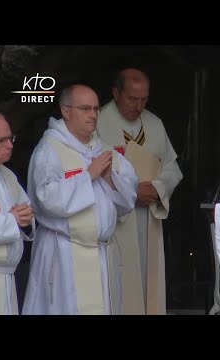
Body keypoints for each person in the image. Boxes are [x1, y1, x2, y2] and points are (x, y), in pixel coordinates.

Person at [22, 84, 138, 315]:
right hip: (65, 253)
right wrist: (88, 176)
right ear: (65, 111)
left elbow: (129, 199)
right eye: (85, 108)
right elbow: (45, 199)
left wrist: (108, 178)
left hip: (102, 254)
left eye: (96, 109)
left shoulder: (103, 148)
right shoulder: (49, 149)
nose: (93, 115)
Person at [97, 68, 183, 315]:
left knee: (149, 284)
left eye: (144, 99)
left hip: (149, 220)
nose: (138, 105)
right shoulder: (99, 123)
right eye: (132, 99)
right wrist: (131, 192)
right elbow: (91, 172)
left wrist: (157, 188)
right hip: (118, 219)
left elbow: (172, 168)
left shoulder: (154, 123)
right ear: (116, 93)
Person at [0, 109, 35, 315]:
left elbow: (27, 213)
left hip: (7, 278)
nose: (10, 145)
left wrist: (26, 219)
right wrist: (12, 220)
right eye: (1, 140)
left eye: (10, 138)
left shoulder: (8, 174)